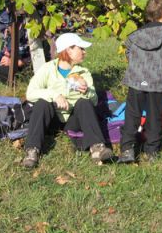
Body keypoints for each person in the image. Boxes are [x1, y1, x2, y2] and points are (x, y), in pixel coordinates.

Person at [22, 33, 113, 168]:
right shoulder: (48, 69)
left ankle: (97, 148)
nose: (84, 52)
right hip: (51, 119)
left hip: (73, 120)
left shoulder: (83, 72)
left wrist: (87, 91)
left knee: (85, 102)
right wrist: (54, 95)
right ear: (68, 50)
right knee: (42, 104)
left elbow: (94, 101)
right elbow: (30, 93)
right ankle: (32, 151)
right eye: (80, 48)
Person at [118, 0, 162, 163]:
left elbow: (129, 53)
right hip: (157, 80)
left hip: (136, 79)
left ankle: (127, 149)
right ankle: (151, 151)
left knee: (132, 114)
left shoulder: (135, 35)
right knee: (155, 115)